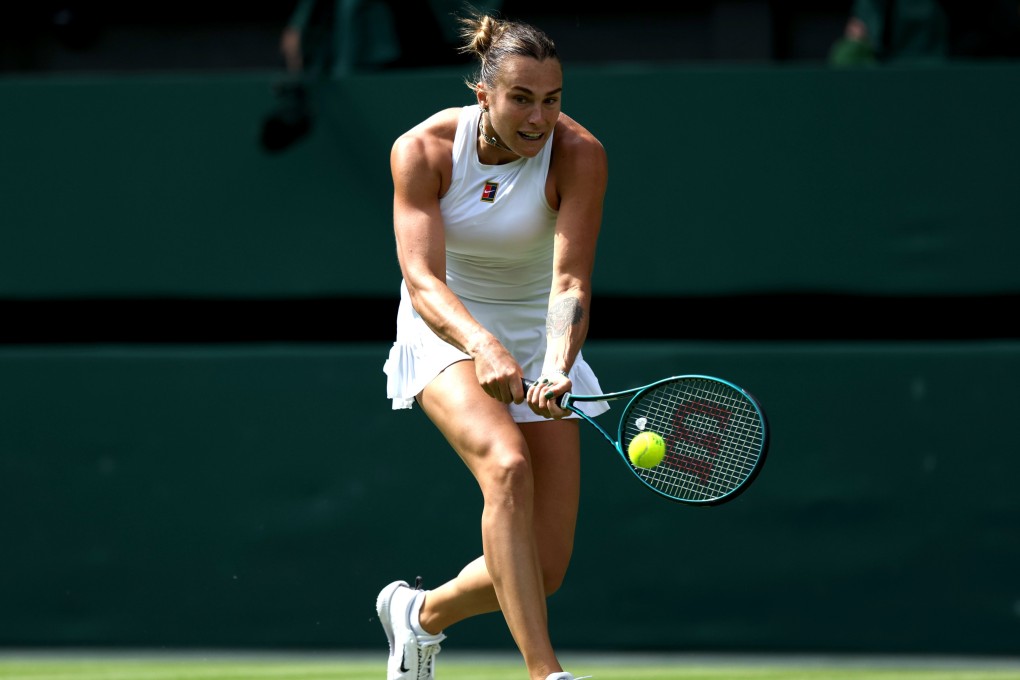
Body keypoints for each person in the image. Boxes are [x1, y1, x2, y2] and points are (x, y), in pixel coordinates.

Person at [377, 8, 608, 680]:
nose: (539, 118)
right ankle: (546, 672)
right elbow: (420, 280)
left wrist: (558, 366)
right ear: (484, 94)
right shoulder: (421, 150)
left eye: (552, 100)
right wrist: (480, 343)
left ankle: (419, 616)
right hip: (444, 327)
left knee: (543, 569)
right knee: (506, 468)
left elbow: (570, 283)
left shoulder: (580, 155)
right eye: (521, 99)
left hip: (540, 338)